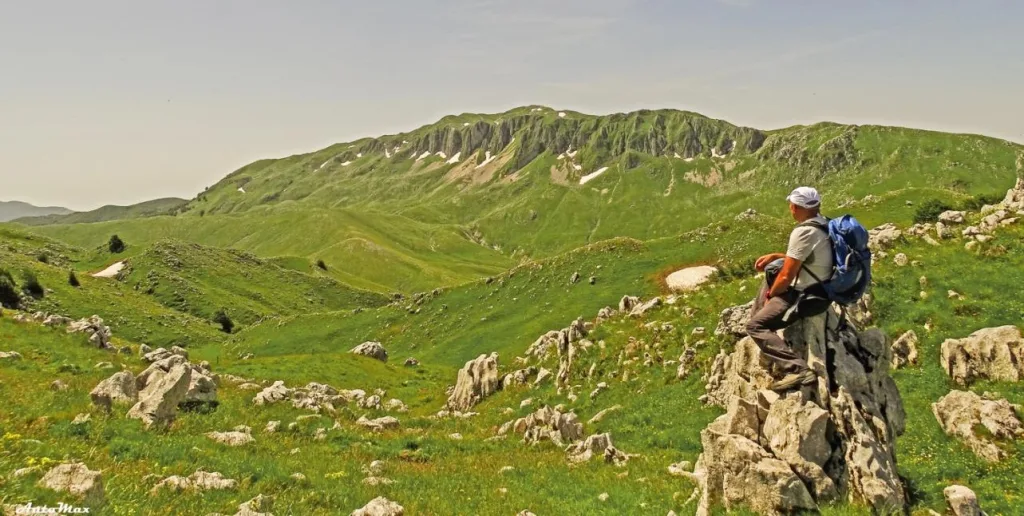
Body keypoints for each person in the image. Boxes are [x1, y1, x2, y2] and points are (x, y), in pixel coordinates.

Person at [746, 186, 834, 391]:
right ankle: (762, 319)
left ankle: (798, 370)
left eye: (792, 205)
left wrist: (771, 295)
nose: (790, 209)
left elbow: (787, 276)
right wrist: (777, 257)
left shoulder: (803, 232)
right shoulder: (824, 224)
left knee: (754, 326)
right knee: (772, 269)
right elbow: (812, 260)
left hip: (806, 297)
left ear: (798, 207)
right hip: (822, 290)